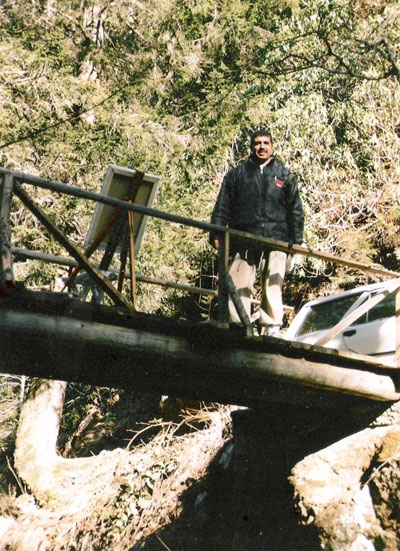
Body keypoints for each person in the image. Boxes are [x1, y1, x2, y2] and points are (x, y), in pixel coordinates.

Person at [210, 129, 304, 336]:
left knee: (273, 284)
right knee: (239, 283)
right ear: (252, 147)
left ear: (272, 147)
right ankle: (238, 325)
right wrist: (216, 232)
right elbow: (223, 206)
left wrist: (297, 242)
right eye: (257, 143)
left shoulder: (285, 176)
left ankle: (271, 326)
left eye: (266, 143)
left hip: (277, 239)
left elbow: (295, 211)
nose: (262, 147)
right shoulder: (237, 175)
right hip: (244, 237)